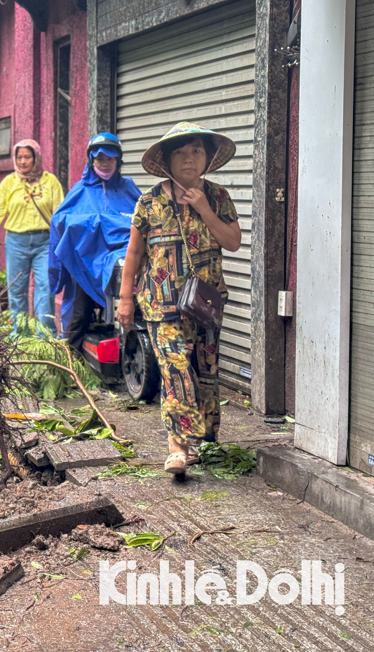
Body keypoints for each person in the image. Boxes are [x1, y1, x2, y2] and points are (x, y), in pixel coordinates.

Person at [116, 122, 242, 476]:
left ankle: (205, 442)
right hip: (161, 304)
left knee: (204, 371)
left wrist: (204, 209)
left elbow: (232, 241)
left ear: (207, 158)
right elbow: (134, 253)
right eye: (180, 153)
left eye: (196, 152)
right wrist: (126, 299)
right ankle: (178, 448)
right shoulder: (150, 202)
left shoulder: (217, 198)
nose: (189, 159)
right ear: (167, 160)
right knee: (175, 369)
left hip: (206, 304)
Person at [48, 133, 141, 353]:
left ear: (118, 161)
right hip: (88, 264)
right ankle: (70, 362)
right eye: (99, 159)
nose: (105, 164)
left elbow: (145, 217)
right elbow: (59, 221)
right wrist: (92, 223)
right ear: (91, 160)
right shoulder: (81, 189)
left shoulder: (128, 187)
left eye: (110, 159)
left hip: (126, 262)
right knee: (80, 312)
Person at [0, 139, 65, 334]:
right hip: (16, 243)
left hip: (44, 242)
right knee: (17, 290)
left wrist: (62, 238)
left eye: (27, 157)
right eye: (19, 157)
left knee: (46, 288)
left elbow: (60, 212)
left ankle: (45, 336)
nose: (23, 161)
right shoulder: (9, 182)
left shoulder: (50, 181)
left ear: (36, 158)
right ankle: (21, 335)